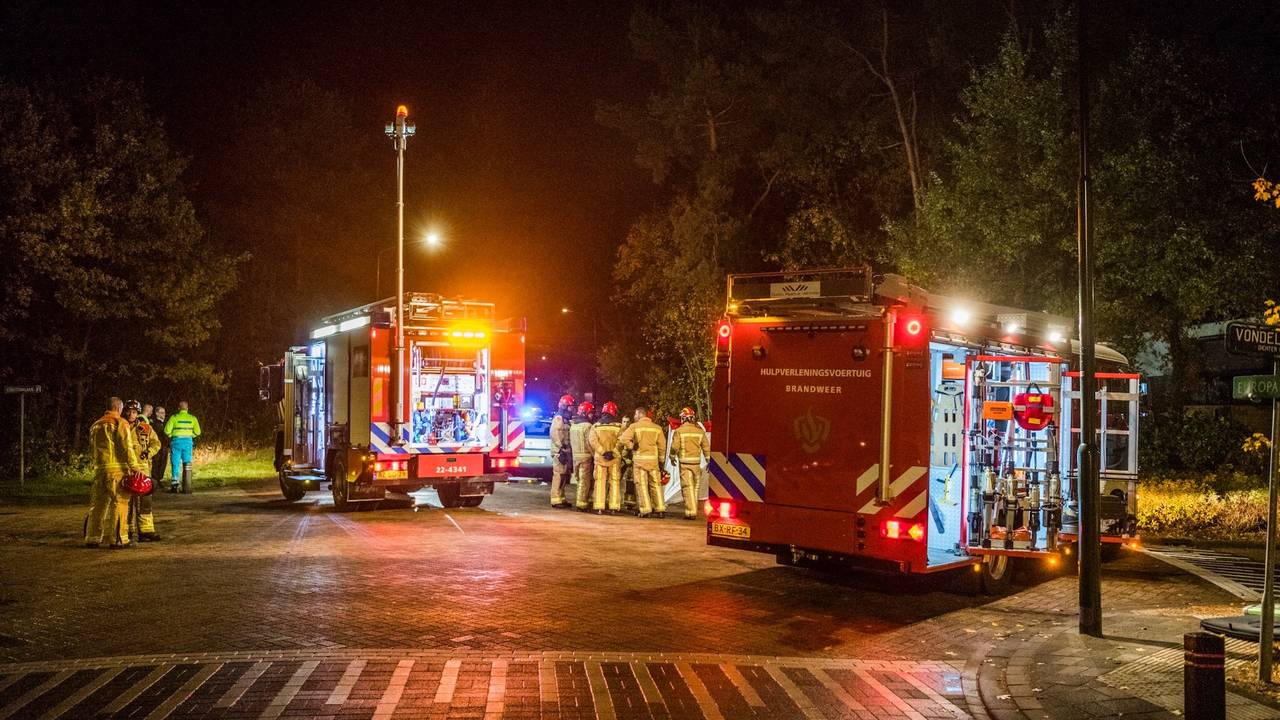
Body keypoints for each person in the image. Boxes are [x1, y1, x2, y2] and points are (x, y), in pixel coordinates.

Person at [84, 397, 142, 548]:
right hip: (117, 470)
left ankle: (92, 538)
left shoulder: (95, 425)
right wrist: (135, 467)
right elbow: (126, 446)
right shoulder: (120, 423)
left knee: (98, 505)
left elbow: (92, 448)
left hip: (99, 470)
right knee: (120, 504)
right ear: (119, 408)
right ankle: (118, 539)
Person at [619, 407, 667, 518]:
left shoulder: (634, 427)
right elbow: (662, 446)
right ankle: (660, 509)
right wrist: (661, 461)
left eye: (635, 415)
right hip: (653, 462)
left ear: (640, 415)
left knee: (642, 485)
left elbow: (623, 439)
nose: (634, 417)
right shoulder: (657, 428)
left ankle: (646, 510)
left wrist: (632, 446)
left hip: (640, 462)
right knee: (656, 485)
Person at [124, 400, 162, 541]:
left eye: (134, 412)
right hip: (127, 470)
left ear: (138, 413)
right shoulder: (121, 428)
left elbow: (156, 443)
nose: (131, 414)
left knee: (145, 502)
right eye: (129, 411)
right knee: (127, 503)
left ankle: (146, 531)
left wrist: (149, 452)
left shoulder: (145, 428)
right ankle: (126, 530)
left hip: (143, 470)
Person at [668, 407, 711, 520]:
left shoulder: (679, 431)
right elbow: (706, 448)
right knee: (695, 488)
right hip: (696, 464)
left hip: (685, 465)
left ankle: (690, 512)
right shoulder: (700, 432)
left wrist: (672, 457)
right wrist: (709, 461)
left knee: (687, 488)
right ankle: (694, 509)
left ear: (683, 418)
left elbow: (674, 447)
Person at [587, 401, 623, 514]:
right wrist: (613, 452)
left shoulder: (596, 426)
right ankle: (613, 507)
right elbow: (621, 442)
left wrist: (603, 452)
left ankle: (599, 507)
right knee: (614, 482)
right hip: (614, 459)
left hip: (600, 459)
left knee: (600, 482)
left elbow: (592, 441)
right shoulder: (619, 427)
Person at [164, 400, 201, 492]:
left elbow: (166, 431)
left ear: (178, 408)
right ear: (187, 409)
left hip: (176, 442)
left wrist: (172, 435)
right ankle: (187, 485)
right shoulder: (193, 418)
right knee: (187, 463)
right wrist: (190, 436)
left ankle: (175, 485)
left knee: (175, 463)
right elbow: (198, 432)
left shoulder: (174, 417)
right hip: (188, 442)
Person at [548, 394, 574, 508]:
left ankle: (561, 498)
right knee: (558, 475)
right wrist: (560, 448)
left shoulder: (566, 419)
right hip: (560, 451)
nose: (571, 409)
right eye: (570, 406)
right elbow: (554, 433)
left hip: (564, 450)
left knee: (564, 475)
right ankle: (555, 499)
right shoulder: (559, 418)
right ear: (564, 406)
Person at [569, 401, 595, 511]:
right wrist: (594, 455)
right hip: (586, 457)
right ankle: (582, 503)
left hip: (576, 457)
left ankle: (581, 501)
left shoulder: (573, 426)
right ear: (585, 413)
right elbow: (589, 442)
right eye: (590, 413)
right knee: (585, 481)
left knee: (579, 480)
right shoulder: (588, 426)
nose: (592, 415)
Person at [150, 406, 170, 484]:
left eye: (164, 413)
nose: (164, 414)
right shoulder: (154, 423)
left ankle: (159, 479)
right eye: (161, 413)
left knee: (163, 463)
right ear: (156, 413)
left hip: (164, 446)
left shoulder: (164, 423)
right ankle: (155, 480)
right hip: (158, 447)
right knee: (157, 463)